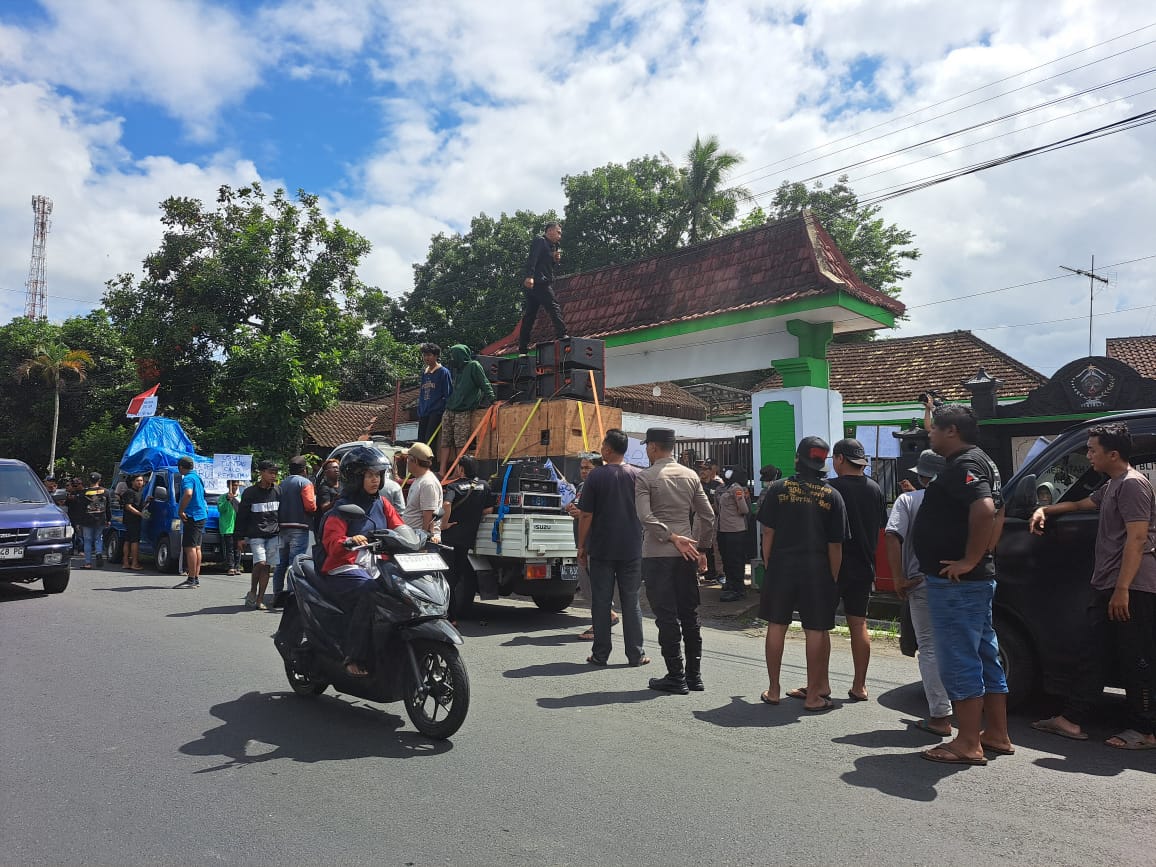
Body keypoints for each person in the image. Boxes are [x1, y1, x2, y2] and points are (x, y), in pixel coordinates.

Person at [1029, 422, 1156, 749]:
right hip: (1110, 584)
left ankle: (1144, 730)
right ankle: (1071, 719)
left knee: (1136, 658)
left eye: (1092, 450)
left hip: (1131, 586)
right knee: (1094, 654)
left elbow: (1138, 538)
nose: (1088, 455)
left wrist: (1122, 589)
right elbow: (1081, 505)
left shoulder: (1132, 485)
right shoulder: (1112, 484)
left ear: (1113, 454)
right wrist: (1045, 508)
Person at [913, 404, 1012, 765]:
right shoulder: (982, 460)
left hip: (957, 584)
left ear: (951, 431)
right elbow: (999, 510)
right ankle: (997, 734)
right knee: (986, 654)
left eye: (935, 429)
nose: (929, 434)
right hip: (974, 581)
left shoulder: (965, 465)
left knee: (958, 657)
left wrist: (970, 559)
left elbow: (985, 509)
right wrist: (985, 552)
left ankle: (968, 742)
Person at [758, 437, 849, 711]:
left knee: (776, 626)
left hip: (782, 567)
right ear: (823, 463)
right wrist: (832, 577)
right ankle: (813, 696)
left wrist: (770, 563)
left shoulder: (778, 489)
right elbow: (836, 545)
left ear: (798, 459)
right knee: (816, 630)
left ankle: (773, 690)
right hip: (818, 570)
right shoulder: (833, 496)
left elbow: (768, 533)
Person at [635, 427, 715, 693]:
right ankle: (695, 676)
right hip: (687, 556)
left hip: (658, 554)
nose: (647, 450)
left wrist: (671, 537)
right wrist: (701, 548)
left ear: (654, 447)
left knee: (666, 616)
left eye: (648, 446)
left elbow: (645, 517)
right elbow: (708, 516)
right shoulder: (691, 475)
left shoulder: (646, 477)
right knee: (690, 615)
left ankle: (675, 676)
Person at [319, 446, 406, 676]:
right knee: (370, 592)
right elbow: (332, 542)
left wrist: (419, 536)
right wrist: (348, 540)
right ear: (356, 477)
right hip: (345, 567)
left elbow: (399, 526)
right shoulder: (342, 508)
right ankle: (354, 656)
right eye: (369, 475)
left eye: (377, 475)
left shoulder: (383, 503)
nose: (375, 480)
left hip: (377, 565)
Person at [885, 449, 951, 736]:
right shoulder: (957, 499)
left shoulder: (907, 500)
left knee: (929, 646)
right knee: (959, 644)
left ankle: (940, 714)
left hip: (920, 583)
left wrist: (897, 577)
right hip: (957, 580)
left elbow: (892, 535)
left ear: (922, 475)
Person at [578, 429, 648, 667]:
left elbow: (586, 515)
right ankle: (636, 655)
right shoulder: (638, 475)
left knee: (601, 601)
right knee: (631, 602)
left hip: (602, 548)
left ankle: (600, 654)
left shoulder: (595, 476)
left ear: (607, 449)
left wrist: (581, 546)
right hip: (631, 548)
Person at [829, 438, 887, 702]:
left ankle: (818, 684)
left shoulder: (830, 488)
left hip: (832, 564)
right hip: (864, 564)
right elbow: (880, 528)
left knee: (819, 626)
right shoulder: (875, 489)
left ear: (840, 459)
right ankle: (860, 685)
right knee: (858, 623)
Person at [569, 453, 620, 641]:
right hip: (584, 542)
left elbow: (598, 512)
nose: (583, 471)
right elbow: (581, 510)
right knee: (588, 585)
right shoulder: (582, 486)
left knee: (595, 586)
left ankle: (602, 623)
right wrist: (573, 510)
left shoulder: (602, 485)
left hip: (595, 544)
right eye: (582, 467)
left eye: (587, 468)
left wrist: (581, 512)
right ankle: (607, 616)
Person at [441, 456, 494, 618]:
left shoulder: (453, 486)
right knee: (457, 574)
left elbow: (447, 504)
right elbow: (489, 510)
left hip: (450, 537)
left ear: (461, 469)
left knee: (448, 576)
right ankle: (452, 614)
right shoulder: (484, 486)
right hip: (468, 537)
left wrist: (444, 523)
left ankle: (449, 615)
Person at [438, 345, 495, 474]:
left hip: (463, 409)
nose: (452, 359)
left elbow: (484, 383)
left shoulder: (473, 366)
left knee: (460, 442)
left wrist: (492, 399)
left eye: (453, 355)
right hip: (450, 408)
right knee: (445, 441)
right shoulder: (456, 370)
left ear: (460, 355)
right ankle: (442, 471)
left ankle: (458, 471)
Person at [271, 456, 317, 609]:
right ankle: (292, 598)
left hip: (282, 528)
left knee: (281, 564)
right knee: (294, 563)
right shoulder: (305, 483)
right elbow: (310, 505)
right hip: (299, 527)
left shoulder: (282, 484)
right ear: (304, 470)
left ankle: (277, 596)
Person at [517, 221, 567, 355]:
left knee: (530, 315)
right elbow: (533, 258)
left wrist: (555, 260)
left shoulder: (553, 246)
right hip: (539, 281)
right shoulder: (540, 241)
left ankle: (522, 348)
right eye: (558, 232)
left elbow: (547, 265)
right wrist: (529, 276)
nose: (559, 236)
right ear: (550, 231)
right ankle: (562, 335)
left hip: (541, 280)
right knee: (553, 305)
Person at [237, 460, 281, 609]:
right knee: (260, 563)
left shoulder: (278, 491)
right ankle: (253, 590)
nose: (273, 476)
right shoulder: (250, 492)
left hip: (274, 535)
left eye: (275, 473)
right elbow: (241, 516)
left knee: (267, 567)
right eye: (270, 472)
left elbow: (282, 514)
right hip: (256, 535)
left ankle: (259, 599)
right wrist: (240, 537)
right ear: (261, 473)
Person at [717, 467, 753, 602]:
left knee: (736, 560)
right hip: (724, 529)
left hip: (735, 530)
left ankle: (738, 589)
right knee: (727, 559)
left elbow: (744, 508)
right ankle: (730, 584)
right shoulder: (726, 488)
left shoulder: (737, 489)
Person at [174, 456, 207, 589]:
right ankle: (196, 577)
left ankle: (191, 578)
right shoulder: (197, 477)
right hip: (201, 514)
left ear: (181, 467)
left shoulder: (187, 478)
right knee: (197, 547)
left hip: (192, 515)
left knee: (189, 547)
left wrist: (181, 510)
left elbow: (188, 494)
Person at [417, 343, 452, 463]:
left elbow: (448, 392)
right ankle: (421, 464)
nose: (426, 358)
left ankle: (430, 465)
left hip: (436, 411)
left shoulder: (443, 372)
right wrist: (420, 409)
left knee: (430, 439)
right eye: (424, 355)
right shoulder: (425, 373)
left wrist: (445, 409)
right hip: (424, 411)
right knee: (421, 440)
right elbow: (422, 393)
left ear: (436, 356)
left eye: (429, 355)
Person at [401, 442, 442, 542]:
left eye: (408, 459)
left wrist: (424, 541)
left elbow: (429, 515)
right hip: (412, 537)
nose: (406, 462)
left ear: (414, 460)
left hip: (419, 540)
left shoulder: (428, 483)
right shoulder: (420, 479)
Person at [696, 460, 725, 586]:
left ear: (710, 471)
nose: (702, 472)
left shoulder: (717, 484)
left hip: (714, 517)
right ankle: (697, 572)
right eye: (700, 470)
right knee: (697, 544)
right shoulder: (696, 484)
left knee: (716, 546)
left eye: (705, 469)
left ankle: (720, 574)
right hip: (699, 517)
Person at [79, 471, 111, 569]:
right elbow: (108, 507)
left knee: (87, 540)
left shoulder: (84, 492)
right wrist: (109, 519)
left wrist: (78, 521)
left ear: (89, 480)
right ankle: (98, 553)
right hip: (101, 518)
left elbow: (80, 508)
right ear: (99, 480)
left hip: (87, 519)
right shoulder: (105, 492)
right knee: (98, 538)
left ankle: (88, 563)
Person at [120, 474, 146, 571]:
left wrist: (147, 501)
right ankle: (134, 563)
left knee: (128, 540)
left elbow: (139, 504)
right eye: (137, 480)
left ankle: (126, 562)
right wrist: (140, 514)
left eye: (141, 480)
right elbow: (128, 506)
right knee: (134, 541)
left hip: (134, 520)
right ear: (132, 482)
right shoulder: (130, 492)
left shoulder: (140, 492)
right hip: (131, 520)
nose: (140, 482)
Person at [218, 479, 241, 576]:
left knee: (238, 548)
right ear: (228, 486)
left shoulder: (241, 497)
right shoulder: (223, 497)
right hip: (227, 527)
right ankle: (231, 567)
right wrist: (228, 500)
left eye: (236, 485)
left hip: (238, 527)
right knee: (229, 548)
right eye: (233, 485)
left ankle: (237, 567)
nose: (235, 487)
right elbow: (220, 509)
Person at [315, 458, 342, 533]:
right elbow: (324, 508)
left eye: (337, 467)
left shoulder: (343, 485)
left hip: (340, 524)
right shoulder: (324, 488)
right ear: (326, 472)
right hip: (325, 527)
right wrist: (335, 500)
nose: (336, 470)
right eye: (333, 468)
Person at [65, 477, 86, 554]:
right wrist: (69, 498)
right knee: (71, 535)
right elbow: (66, 503)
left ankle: (81, 550)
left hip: (80, 516)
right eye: (74, 486)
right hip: (71, 516)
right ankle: (71, 550)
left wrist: (76, 498)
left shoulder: (84, 492)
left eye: (76, 486)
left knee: (80, 535)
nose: (75, 487)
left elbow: (84, 503)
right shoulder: (72, 492)